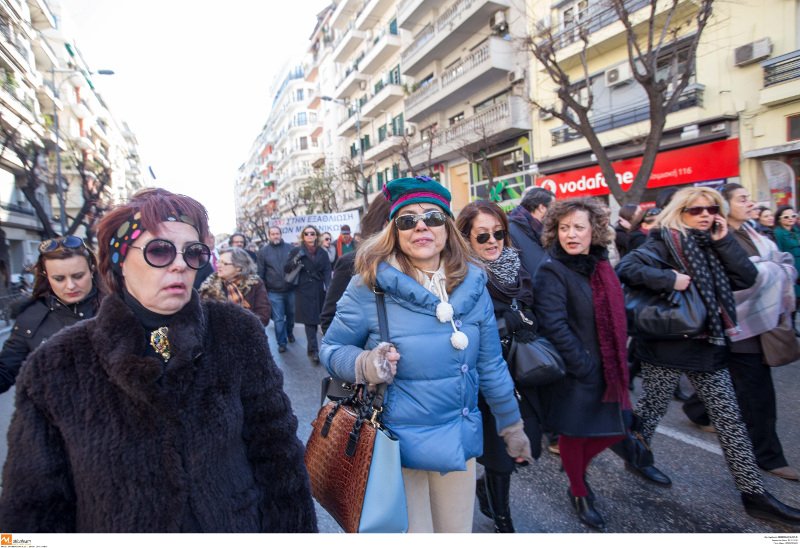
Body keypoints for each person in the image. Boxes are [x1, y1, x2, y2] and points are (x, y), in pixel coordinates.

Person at [0, 188, 317, 532]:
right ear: (119, 258)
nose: (180, 264)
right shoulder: (56, 365)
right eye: (160, 250)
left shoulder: (237, 333)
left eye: (193, 253)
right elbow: (32, 511)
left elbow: (279, 459)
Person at [321, 176, 531, 533]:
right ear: (395, 231)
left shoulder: (474, 284)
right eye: (407, 220)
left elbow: (490, 364)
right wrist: (366, 364)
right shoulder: (368, 286)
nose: (421, 226)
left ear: (447, 227)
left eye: (433, 217)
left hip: (457, 441)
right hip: (396, 448)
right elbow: (331, 348)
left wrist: (512, 424)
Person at [616, 187, 800, 528]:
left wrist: (723, 240)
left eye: (712, 209)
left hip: (707, 344)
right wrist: (670, 279)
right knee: (651, 413)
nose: (704, 214)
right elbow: (626, 269)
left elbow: (747, 277)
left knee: (730, 422)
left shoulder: (713, 243)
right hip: (667, 346)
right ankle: (637, 456)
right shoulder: (661, 242)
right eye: (696, 210)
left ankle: (754, 495)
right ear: (680, 212)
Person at [681, 184, 798, 480]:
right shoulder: (712, 238)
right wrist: (767, 272)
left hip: (761, 323)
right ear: (727, 205)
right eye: (742, 199)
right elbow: (741, 279)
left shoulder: (755, 232)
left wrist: (769, 272)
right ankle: (768, 457)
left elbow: (780, 264)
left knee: (735, 384)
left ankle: (697, 410)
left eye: (750, 197)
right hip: (735, 326)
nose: (751, 203)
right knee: (757, 394)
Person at [532, 198, 629, 531]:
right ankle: (578, 489)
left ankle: (575, 469)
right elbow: (553, 324)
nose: (570, 234)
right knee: (574, 434)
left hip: (608, 364)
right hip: (577, 369)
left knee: (614, 429)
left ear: (594, 232)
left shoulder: (601, 265)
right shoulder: (552, 269)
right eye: (564, 227)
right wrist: (583, 364)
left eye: (578, 227)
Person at [456, 200, 542, 533]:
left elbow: (532, 314)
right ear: (465, 239)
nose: (493, 241)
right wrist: (505, 325)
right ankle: (504, 523)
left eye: (499, 233)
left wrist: (525, 322)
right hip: (485, 380)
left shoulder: (516, 269)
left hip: (520, 375)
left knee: (523, 446)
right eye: (482, 236)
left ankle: (485, 489)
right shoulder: (459, 278)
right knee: (499, 459)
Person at [0, 236, 102, 394]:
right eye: (59, 279)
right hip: (55, 415)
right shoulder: (31, 317)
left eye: (78, 276)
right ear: (46, 276)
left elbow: (153, 350)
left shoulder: (118, 307)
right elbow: (5, 370)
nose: (70, 286)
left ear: (92, 271)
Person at [320, 194, 391, 334]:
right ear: (385, 224)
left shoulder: (436, 263)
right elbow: (330, 320)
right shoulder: (351, 262)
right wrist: (362, 354)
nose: (420, 226)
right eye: (407, 219)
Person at [286, 224, 330, 364]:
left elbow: (327, 271)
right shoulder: (296, 251)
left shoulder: (322, 252)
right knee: (310, 322)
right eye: (307, 234)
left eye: (312, 233)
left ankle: (325, 349)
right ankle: (314, 351)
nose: (310, 236)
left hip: (318, 289)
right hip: (303, 290)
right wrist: (297, 257)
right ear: (303, 236)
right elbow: (286, 268)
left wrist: (329, 287)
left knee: (322, 319)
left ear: (316, 235)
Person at [199, 246, 271, 326]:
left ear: (239, 267)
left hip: (250, 335)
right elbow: (203, 318)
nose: (218, 265)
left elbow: (264, 316)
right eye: (219, 262)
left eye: (224, 263)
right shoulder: (209, 286)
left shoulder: (255, 283)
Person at [257, 226, 296, 353]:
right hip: (274, 292)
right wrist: (263, 292)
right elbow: (261, 273)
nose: (275, 236)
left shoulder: (291, 249)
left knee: (291, 315)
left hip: (290, 290)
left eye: (277, 233)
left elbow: (297, 268)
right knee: (279, 319)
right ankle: (282, 342)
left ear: (281, 234)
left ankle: (289, 333)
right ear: (269, 236)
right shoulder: (263, 252)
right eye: (273, 234)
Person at [507, 187, 555, 278]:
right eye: (553, 207)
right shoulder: (511, 231)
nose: (555, 213)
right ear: (542, 208)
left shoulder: (541, 231)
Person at [774, 205, 800, 333]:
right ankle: (792, 327)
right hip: (791, 269)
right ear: (779, 219)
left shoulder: (796, 230)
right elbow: (779, 253)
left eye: (793, 216)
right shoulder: (778, 233)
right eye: (786, 217)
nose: (791, 219)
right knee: (791, 298)